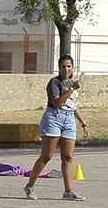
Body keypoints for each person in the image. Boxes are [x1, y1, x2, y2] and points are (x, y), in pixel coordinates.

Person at [26, 54, 87, 200]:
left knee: (67, 156)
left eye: (69, 66)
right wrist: (72, 89)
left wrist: (83, 123)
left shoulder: (72, 83)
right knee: (47, 155)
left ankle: (68, 191)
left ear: (73, 68)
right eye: (63, 66)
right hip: (54, 118)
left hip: (69, 119)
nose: (66, 69)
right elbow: (58, 102)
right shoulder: (54, 83)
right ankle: (30, 186)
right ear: (59, 68)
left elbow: (73, 106)